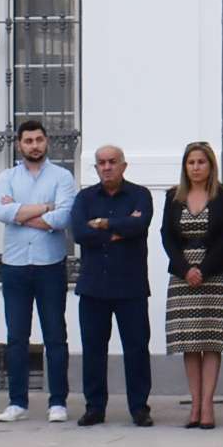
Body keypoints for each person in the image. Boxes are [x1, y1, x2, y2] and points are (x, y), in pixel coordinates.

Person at [0, 120, 77, 425]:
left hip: (50, 265)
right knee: (16, 337)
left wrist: (21, 212)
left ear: (47, 142)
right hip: (14, 266)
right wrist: (44, 207)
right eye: (28, 140)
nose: (34, 145)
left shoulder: (62, 176)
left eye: (39, 139)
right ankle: (17, 402)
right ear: (19, 144)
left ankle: (58, 402)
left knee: (55, 336)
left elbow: (64, 216)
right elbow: (2, 212)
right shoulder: (7, 176)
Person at [71, 144, 155, 428]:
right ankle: (94, 407)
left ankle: (139, 408)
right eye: (101, 163)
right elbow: (80, 233)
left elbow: (140, 226)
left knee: (136, 349)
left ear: (124, 165)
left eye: (112, 162)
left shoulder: (140, 195)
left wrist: (104, 223)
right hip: (93, 286)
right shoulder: (84, 197)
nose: (107, 167)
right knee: (93, 349)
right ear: (95, 168)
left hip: (130, 286)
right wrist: (118, 230)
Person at [164, 140, 223, 429]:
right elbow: (167, 237)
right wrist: (186, 270)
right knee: (189, 342)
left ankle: (208, 405)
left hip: (215, 273)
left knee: (211, 342)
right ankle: (194, 404)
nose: (196, 167)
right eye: (191, 162)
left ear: (211, 165)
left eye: (201, 162)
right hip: (183, 276)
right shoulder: (174, 195)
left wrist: (203, 269)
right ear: (185, 167)